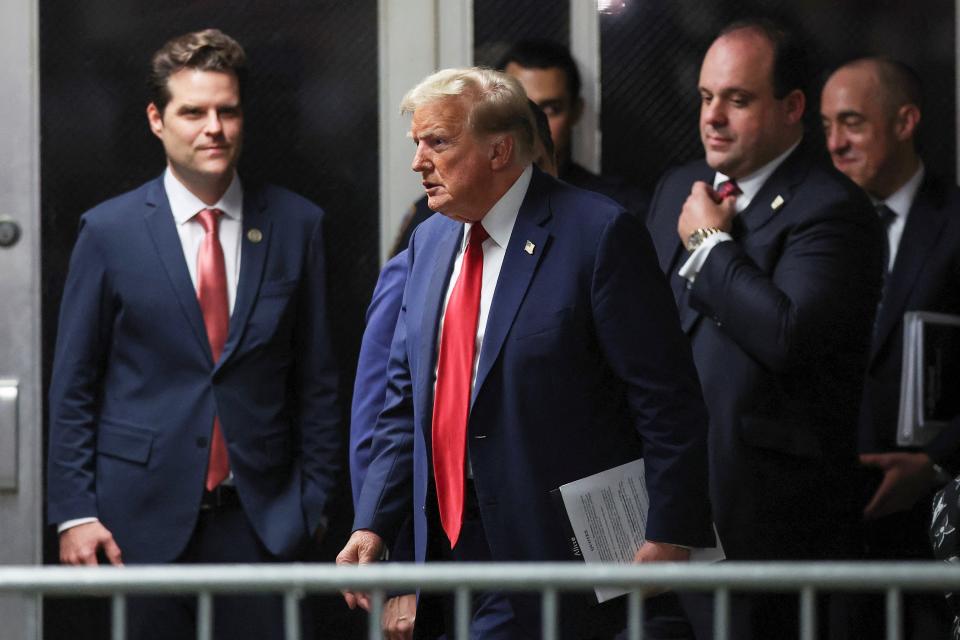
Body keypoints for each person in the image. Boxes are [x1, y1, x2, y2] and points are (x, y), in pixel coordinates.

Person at [338, 67, 713, 639]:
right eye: (417, 144)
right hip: (446, 546)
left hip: (562, 549)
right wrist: (373, 524)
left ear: (500, 150)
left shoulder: (598, 232)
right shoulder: (429, 240)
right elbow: (406, 402)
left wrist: (669, 532)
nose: (419, 162)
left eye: (437, 142)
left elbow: (666, 399)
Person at [46, 29, 340, 640]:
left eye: (227, 111)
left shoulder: (295, 224)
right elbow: (75, 384)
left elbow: (318, 381)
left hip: (264, 520)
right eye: (193, 112)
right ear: (157, 120)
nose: (214, 128)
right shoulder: (109, 231)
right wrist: (75, 511)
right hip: (136, 521)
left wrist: (312, 504)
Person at [645, 19, 883, 638]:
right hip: (657, 515)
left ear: (792, 107)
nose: (713, 117)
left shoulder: (832, 208)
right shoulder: (679, 184)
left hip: (764, 533)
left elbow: (787, 335)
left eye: (737, 99)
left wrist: (705, 241)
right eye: (705, 97)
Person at [349, 104, 559, 638]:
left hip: (558, 542)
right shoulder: (429, 254)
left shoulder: (584, 248)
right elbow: (385, 417)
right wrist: (402, 573)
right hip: (452, 538)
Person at [821, 56, 960, 638]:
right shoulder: (813, 224)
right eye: (825, 126)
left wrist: (934, 463)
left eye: (851, 123)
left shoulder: (954, 222)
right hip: (827, 518)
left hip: (930, 522)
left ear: (905, 122)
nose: (834, 144)